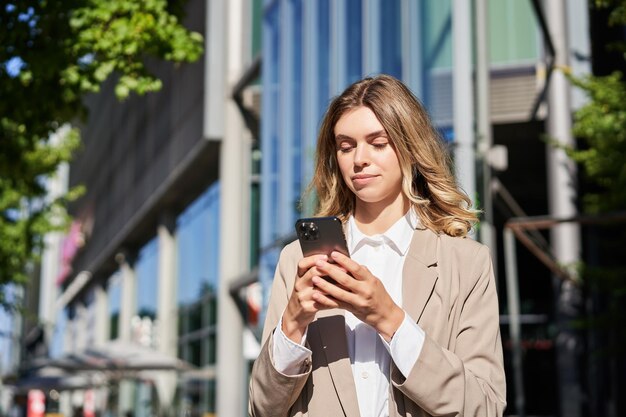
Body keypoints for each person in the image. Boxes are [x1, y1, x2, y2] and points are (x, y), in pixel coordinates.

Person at [249, 74, 506, 417]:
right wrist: (292, 324)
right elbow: (261, 408)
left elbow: (483, 407)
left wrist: (390, 320)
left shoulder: (465, 262)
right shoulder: (298, 260)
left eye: (378, 142)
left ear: (411, 148)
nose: (359, 159)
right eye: (346, 146)